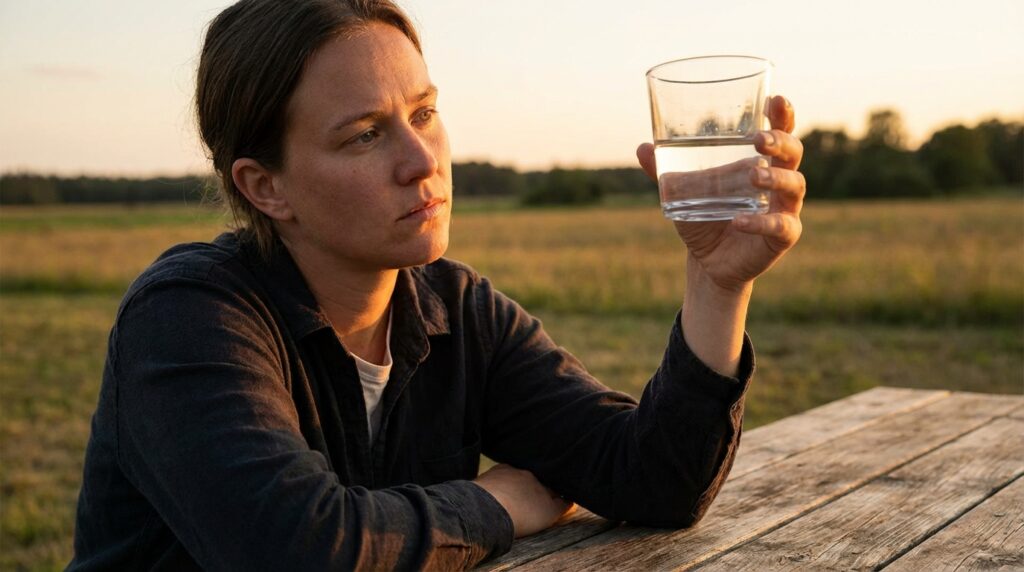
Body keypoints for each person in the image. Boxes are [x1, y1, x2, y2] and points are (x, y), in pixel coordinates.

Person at [69, 0, 805, 569]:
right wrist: (499, 502)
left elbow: (653, 479)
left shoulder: (454, 310)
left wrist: (716, 285)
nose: (422, 160)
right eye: (364, 134)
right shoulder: (188, 317)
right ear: (266, 188)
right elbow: (296, 551)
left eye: (423, 112)